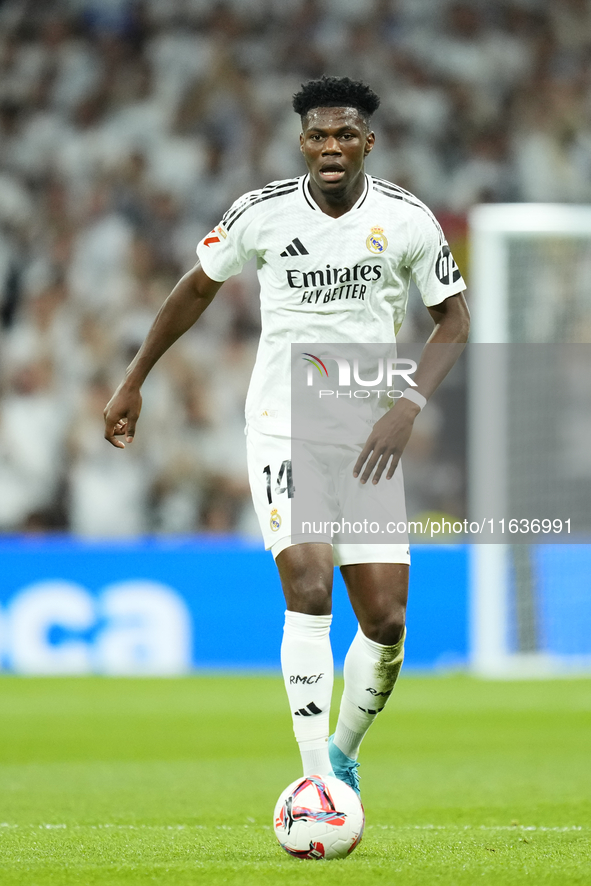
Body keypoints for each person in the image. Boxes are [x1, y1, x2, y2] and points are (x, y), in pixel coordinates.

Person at [104, 76, 469, 795]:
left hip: (369, 434)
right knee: (307, 587)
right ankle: (313, 784)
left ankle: (341, 754)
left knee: (387, 620)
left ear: (368, 141)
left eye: (344, 135)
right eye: (316, 135)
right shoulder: (260, 214)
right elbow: (196, 288)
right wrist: (134, 377)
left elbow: (452, 320)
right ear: (301, 142)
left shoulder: (407, 220)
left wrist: (407, 405)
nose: (329, 147)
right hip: (283, 423)